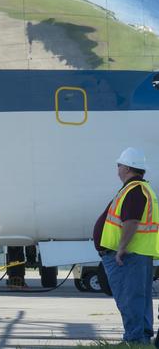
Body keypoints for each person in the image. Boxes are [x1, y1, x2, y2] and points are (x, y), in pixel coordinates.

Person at [93, 147, 156, 345]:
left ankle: (134, 339)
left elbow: (131, 222)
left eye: (119, 165)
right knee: (139, 298)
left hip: (128, 255)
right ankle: (142, 338)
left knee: (130, 299)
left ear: (128, 168)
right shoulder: (141, 189)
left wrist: (120, 249)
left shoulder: (134, 190)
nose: (117, 169)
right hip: (137, 254)